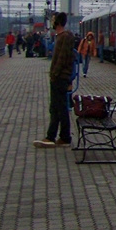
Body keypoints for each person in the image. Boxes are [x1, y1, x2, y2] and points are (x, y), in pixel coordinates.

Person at [33, 12, 75, 149]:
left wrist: (54, 74)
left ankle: (62, 137)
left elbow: (62, 59)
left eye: (53, 20)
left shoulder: (65, 38)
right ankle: (53, 137)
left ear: (57, 22)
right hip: (59, 77)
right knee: (56, 108)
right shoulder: (61, 37)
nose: (51, 22)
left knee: (60, 108)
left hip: (60, 77)